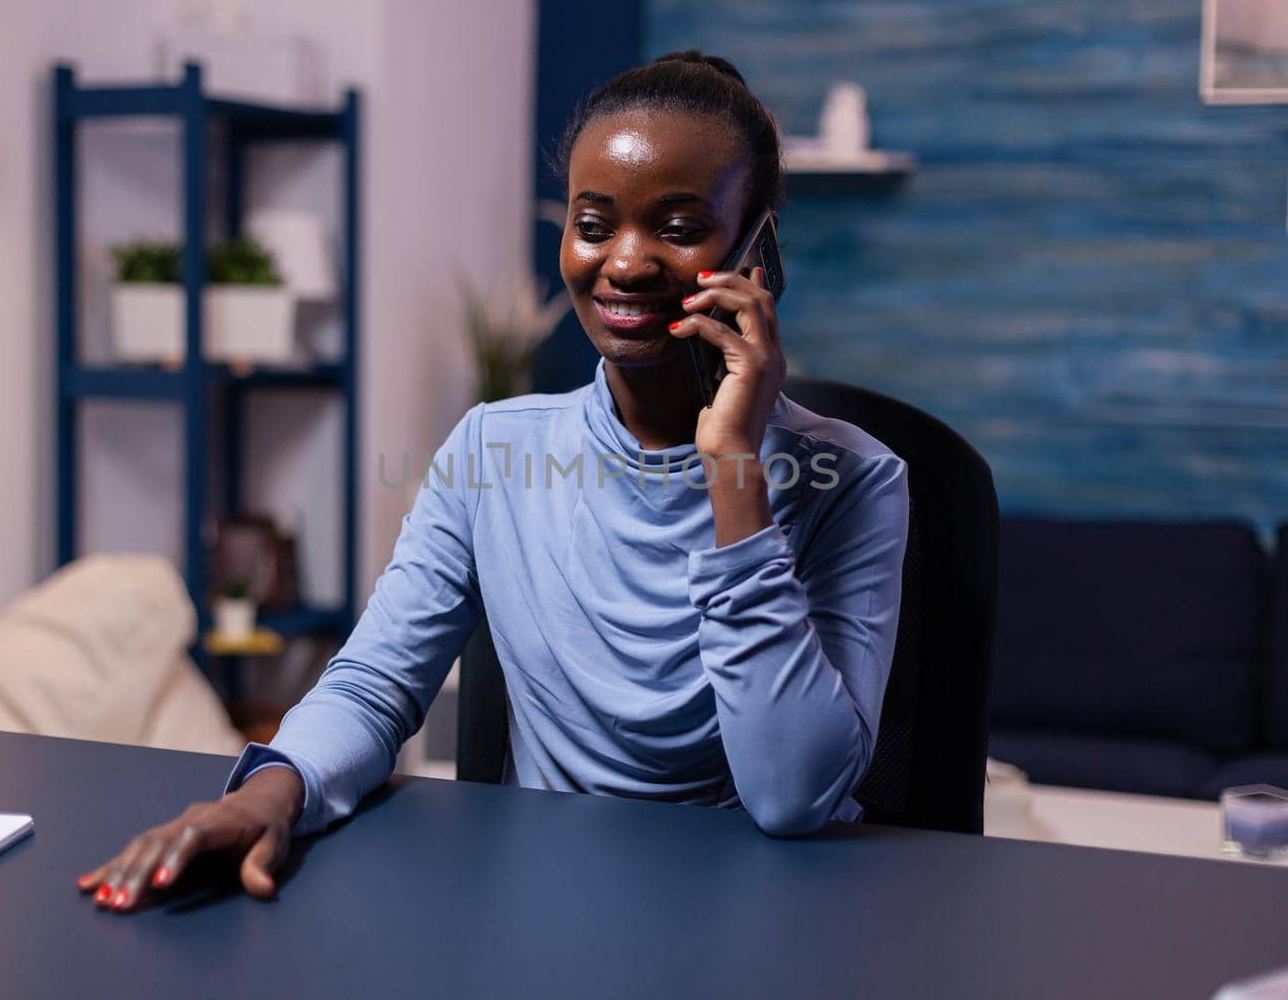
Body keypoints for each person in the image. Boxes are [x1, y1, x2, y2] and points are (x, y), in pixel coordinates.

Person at [77, 50, 909, 913]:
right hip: (543, 912)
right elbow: (375, 682)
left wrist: (734, 465)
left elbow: (794, 795)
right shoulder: (490, 451)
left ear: (758, 253)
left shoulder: (854, 479)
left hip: (762, 923)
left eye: (676, 225)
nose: (623, 262)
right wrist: (262, 796)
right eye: (595, 224)